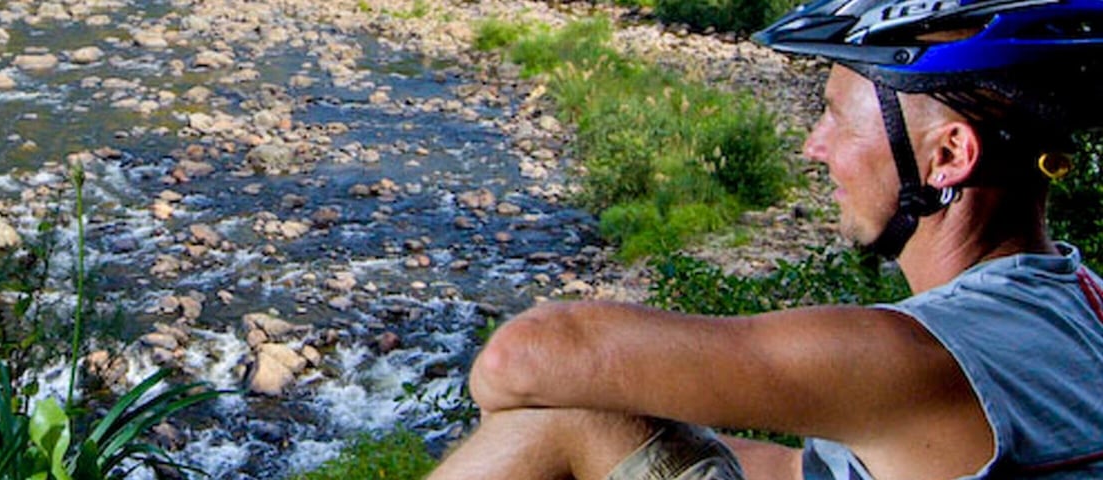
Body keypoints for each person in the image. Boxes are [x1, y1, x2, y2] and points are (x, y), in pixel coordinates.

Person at [428, 0, 1103, 478]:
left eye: (837, 118)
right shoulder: (1079, 304)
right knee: (592, 410)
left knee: (556, 417)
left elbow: (522, 356)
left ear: (948, 156)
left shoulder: (916, 357)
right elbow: (794, 470)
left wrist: (570, 411)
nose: (815, 146)